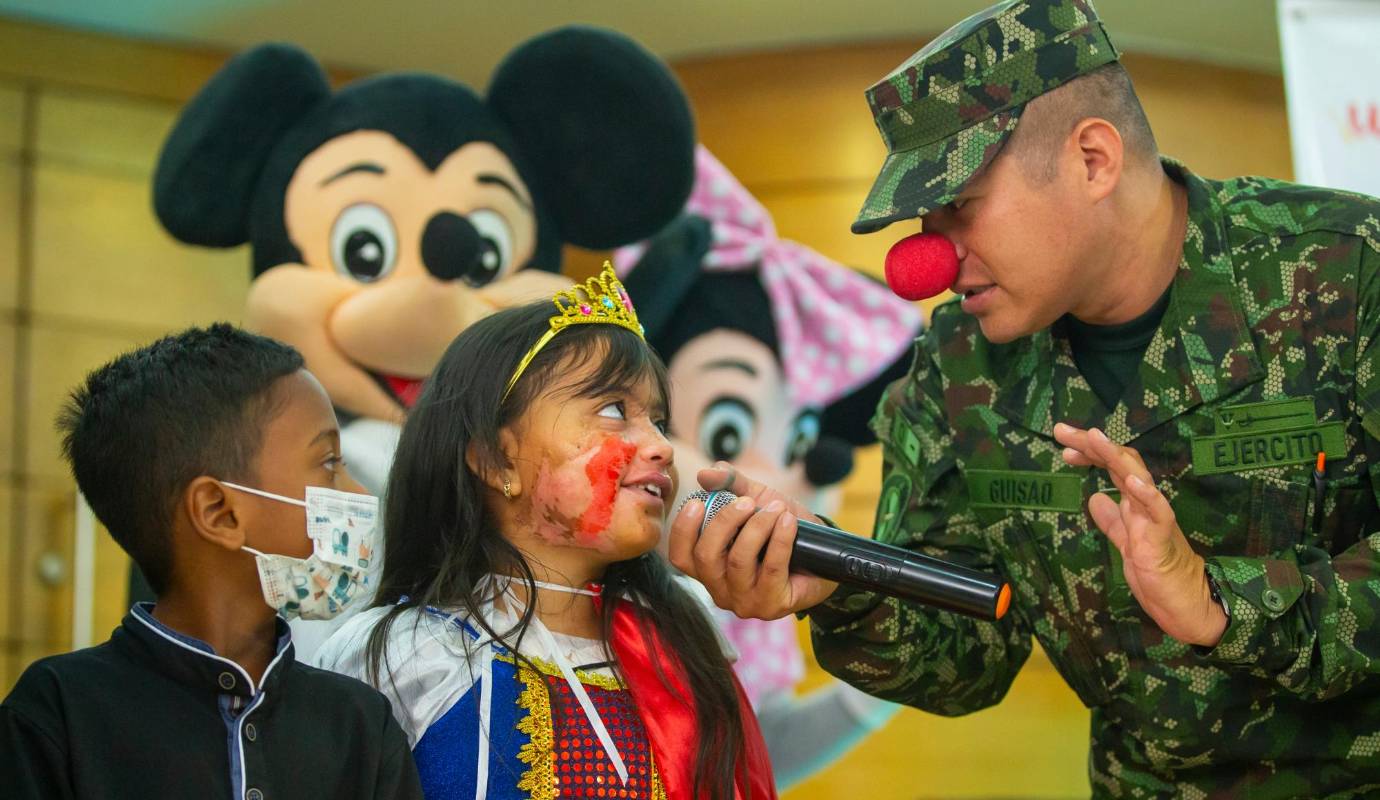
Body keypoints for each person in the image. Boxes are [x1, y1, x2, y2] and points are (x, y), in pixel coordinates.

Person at [666, 0, 1380, 796]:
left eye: (960, 209)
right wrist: (839, 589)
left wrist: (1221, 604)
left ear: (1094, 160)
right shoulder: (955, 367)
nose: (927, 260)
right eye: (924, 222)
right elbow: (972, 657)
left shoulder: (1350, 275)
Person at [313, 265, 776, 799]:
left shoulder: (681, 638)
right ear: (493, 459)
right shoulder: (404, 654)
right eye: (612, 409)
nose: (662, 447)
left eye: (659, 421)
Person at [0, 324, 422, 799]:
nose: (359, 494)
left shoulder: (359, 723)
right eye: (328, 462)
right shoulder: (57, 715)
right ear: (219, 513)